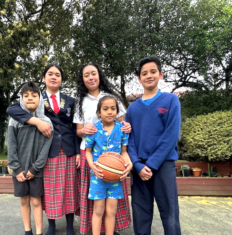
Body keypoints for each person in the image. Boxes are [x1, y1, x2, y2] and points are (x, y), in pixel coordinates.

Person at [7, 64, 80, 235]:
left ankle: (70, 226)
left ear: (61, 79)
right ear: (44, 78)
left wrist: (77, 151)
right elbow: (11, 109)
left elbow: (75, 126)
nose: (54, 77)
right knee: (50, 190)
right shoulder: (37, 98)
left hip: (68, 148)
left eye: (57, 74)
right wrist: (37, 122)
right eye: (50, 74)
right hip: (48, 149)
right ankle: (52, 225)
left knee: (69, 188)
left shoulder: (70, 100)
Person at [73, 62, 132, 235]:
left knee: (112, 206)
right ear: (82, 79)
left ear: (99, 75)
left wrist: (126, 127)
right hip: (92, 155)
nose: (91, 77)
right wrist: (84, 130)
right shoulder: (80, 102)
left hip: (114, 158)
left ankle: (111, 231)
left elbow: (122, 124)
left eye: (94, 73)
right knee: (95, 204)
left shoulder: (112, 97)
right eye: (86, 75)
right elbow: (78, 132)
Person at [126, 56, 181, 235]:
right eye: (144, 73)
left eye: (153, 71)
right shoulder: (132, 109)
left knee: (170, 214)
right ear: (139, 79)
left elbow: (171, 135)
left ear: (160, 74)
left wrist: (151, 164)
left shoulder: (171, 100)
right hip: (139, 168)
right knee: (141, 215)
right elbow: (129, 140)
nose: (148, 75)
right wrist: (137, 165)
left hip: (163, 165)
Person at [8, 81, 54, 235]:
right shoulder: (14, 121)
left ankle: (39, 231)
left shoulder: (47, 124)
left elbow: (45, 149)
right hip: (19, 170)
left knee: (36, 201)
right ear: (21, 99)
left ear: (40, 99)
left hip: (36, 171)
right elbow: (11, 146)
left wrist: (35, 168)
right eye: (26, 95)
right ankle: (28, 231)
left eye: (34, 95)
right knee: (24, 200)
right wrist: (16, 167)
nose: (30, 98)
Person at [85, 95, 132, 235]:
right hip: (97, 177)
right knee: (98, 211)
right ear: (99, 112)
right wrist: (92, 166)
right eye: (105, 109)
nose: (110, 112)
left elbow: (124, 152)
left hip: (115, 179)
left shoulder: (122, 129)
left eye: (113, 108)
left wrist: (129, 164)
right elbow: (88, 152)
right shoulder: (93, 129)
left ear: (117, 111)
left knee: (111, 211)